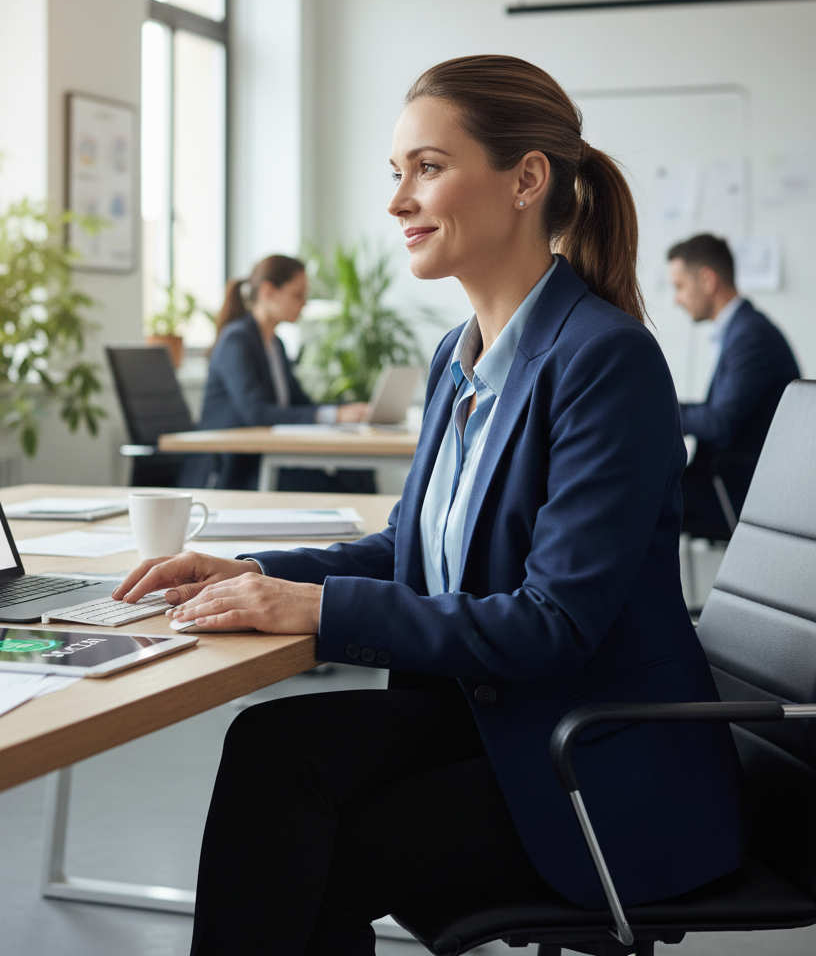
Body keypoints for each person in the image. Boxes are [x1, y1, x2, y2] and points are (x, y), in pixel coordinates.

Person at [115, 55, 743, 955]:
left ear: (526, 178)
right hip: (495, 717)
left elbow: (551, 624)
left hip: (588, 762)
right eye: (397, 172)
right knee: (270, 749)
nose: (398, 199)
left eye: (429, 168)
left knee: (312, 855)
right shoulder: (462, 356)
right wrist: (258, 574)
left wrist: (320, 612)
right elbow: (409, 547)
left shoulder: (607, 360)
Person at [182, 255, 367, 490]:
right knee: (336, 486)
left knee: (358, 476)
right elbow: (257, 413)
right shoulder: (236, 341)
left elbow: (297, 403)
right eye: (298, 295)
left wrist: (343, 412)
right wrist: (334, 416)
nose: (304, 303)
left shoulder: (275, 344)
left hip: (265, 460)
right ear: (269, 291)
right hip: (232, 470)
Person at [669, 233, 800, 535]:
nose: (676, 299)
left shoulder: (751, 335)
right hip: (727, 479)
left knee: (634, 497)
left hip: (736, 488)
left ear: (707, 280)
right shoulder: (743, 330)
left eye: (679, 286)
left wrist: (662, 412)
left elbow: (720, 422)